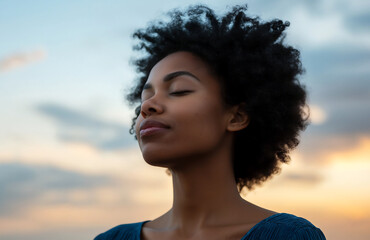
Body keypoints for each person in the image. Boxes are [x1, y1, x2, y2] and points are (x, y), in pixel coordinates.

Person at [95, 4, 326, 240]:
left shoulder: (287, 236)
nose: (147, 106)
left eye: (179, 90)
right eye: (145, 96)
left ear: (236, 117)